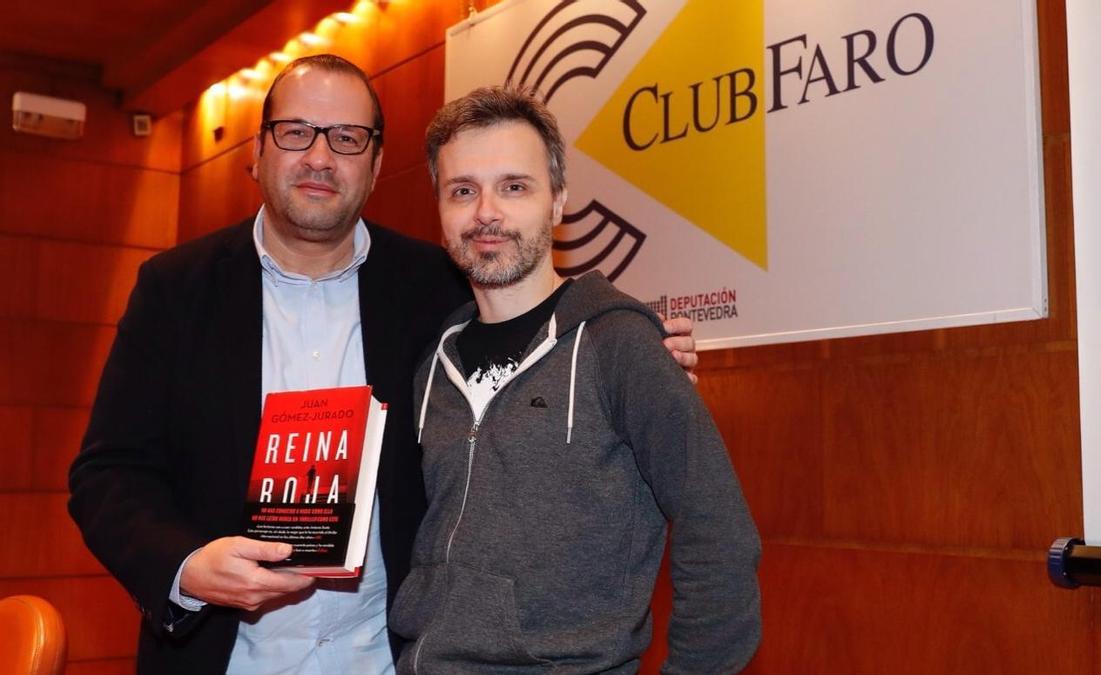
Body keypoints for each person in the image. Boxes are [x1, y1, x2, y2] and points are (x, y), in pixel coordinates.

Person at [67, 55, 697, 675]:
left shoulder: (443, 288)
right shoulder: (174, 289)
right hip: (221, 656)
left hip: (390, 657)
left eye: (346, 138)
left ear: (373, 166)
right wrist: (185, 566)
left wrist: (635, 352)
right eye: (296, 132)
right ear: (257, 152)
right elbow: (109, 473)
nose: (319, 156)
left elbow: (543, 347)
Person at [391, 86, 761, 673]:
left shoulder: (618, 344)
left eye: (515, 186)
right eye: (463, 190)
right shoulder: (434, 362)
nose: (487, 211)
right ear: (440, 210)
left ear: (558, 202)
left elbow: (719, 533)